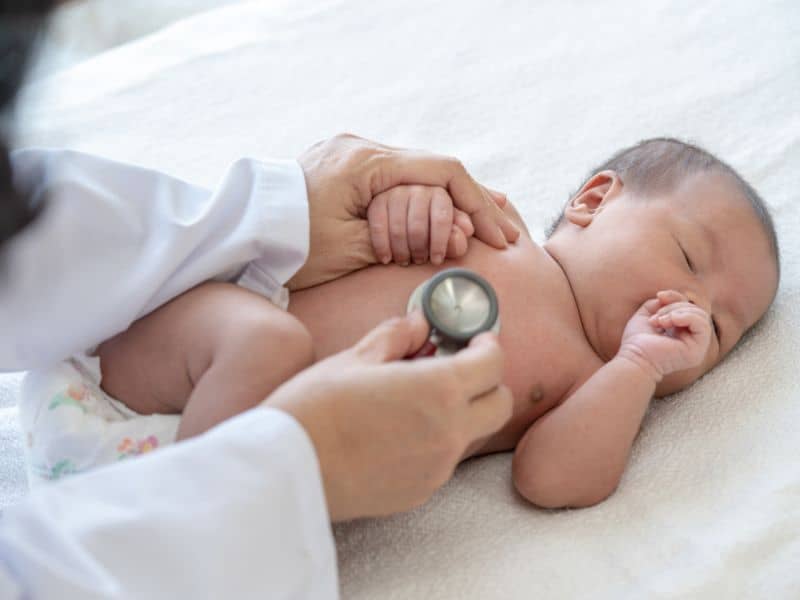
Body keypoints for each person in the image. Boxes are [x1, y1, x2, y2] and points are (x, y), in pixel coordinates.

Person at [0, 3, 521, 598]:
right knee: (268, 341)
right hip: (138, 404)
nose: (658, 297)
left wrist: (265, 215)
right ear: (595, 198)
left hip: (153, 434)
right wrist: (289, 468)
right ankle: (196, 488)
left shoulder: (603, 356)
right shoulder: (510, 230)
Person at [40, 139, 780, 513]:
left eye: (719, 326)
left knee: (281, 412)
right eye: (687, 256)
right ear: (593, 200)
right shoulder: (498, 228)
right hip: (165, 360)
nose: (686, 304)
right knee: (271, 341)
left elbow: (551, 480)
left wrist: (637, 368)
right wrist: (406, 207)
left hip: (192, 448)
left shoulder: (592, 384)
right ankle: (193, 517)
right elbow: (361, 216)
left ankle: (198, 509)